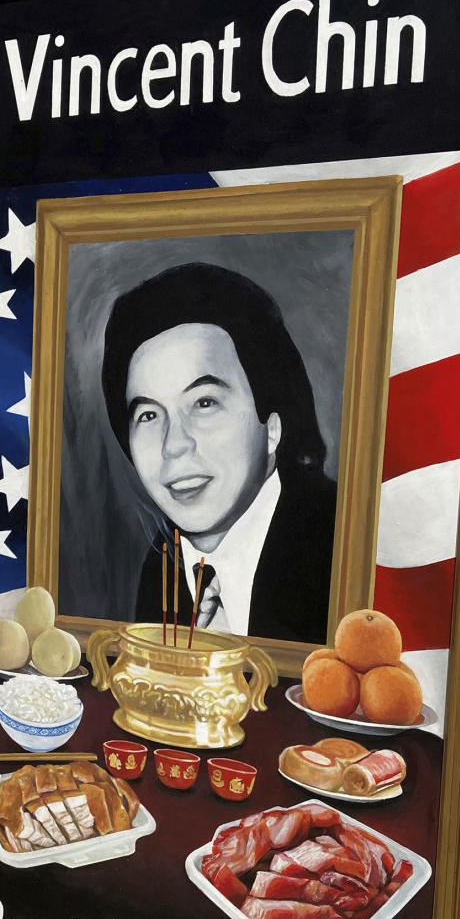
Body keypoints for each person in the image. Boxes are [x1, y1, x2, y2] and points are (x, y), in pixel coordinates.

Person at [100, 262, 337, 643]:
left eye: (204, 403)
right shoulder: (162, 570)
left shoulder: (339, 551)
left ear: (271, 427)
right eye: (148, 415)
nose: (173, 445)